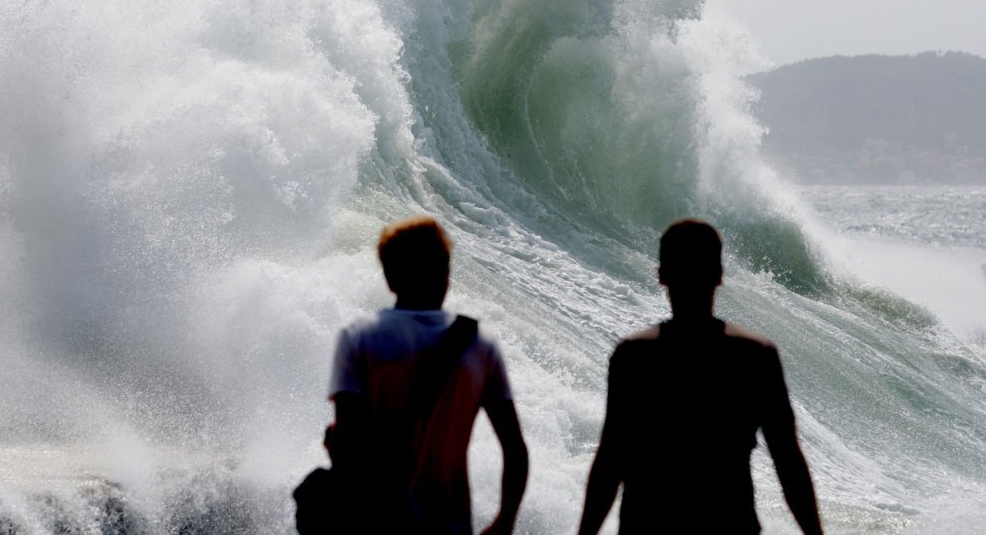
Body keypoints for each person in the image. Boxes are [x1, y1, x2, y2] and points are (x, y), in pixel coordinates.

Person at [577, 219, 824, 535]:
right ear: (720, 276)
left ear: (661, 275)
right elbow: (788, 461)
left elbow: (610, 461)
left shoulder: (634, 356)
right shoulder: (755, 356)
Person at [327, 215, 528, 535]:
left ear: (390, 278)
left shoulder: (359, 337)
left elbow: (347, 443)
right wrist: (505, 521)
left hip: (374, 521)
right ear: (446, 275)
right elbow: (515, 449)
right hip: (449, 523)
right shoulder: (478, 342)